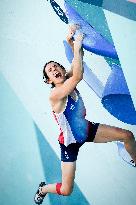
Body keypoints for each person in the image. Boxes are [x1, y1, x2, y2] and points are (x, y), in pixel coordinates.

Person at [34, 25, 136, 204]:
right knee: (66, 190)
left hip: (87, 130)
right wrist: (79, 42)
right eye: (50, 71)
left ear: (62, 70)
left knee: (127, 136)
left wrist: (70, 38)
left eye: (56, 66)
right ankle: (43, 188)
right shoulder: (56, 95)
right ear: (49, 80)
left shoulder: (67, 78)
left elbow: (77, 58)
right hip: (70, 143)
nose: (54, 69)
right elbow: (78, 75)